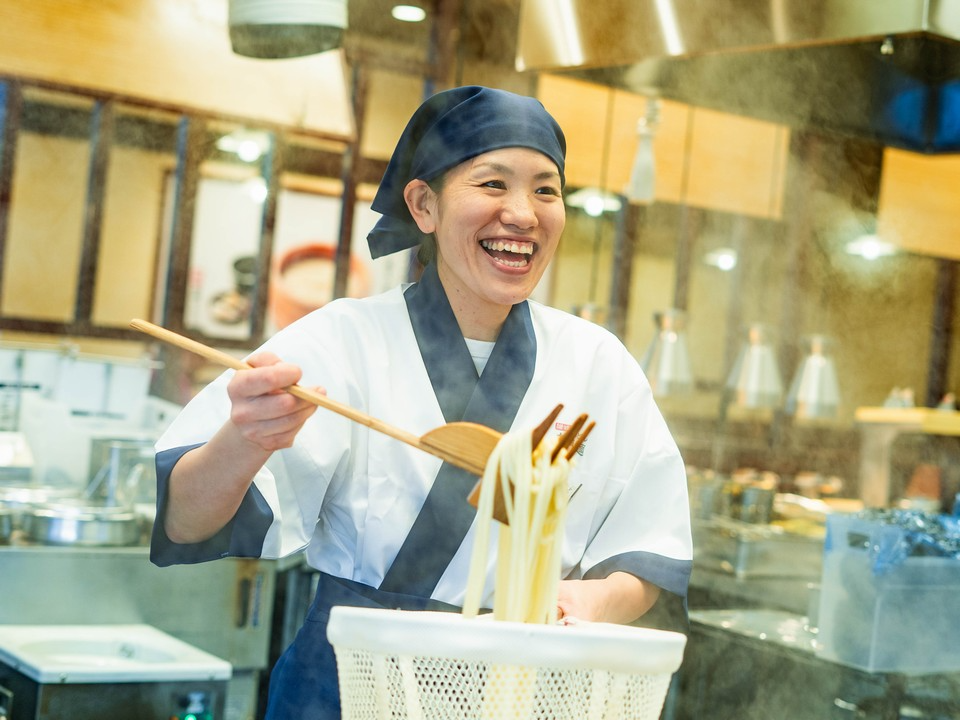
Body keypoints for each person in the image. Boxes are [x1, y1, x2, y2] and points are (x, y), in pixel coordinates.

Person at [150, 85, 693, 720]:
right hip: (356, 683)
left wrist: (594, 601)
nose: (523, 213)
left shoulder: (598, 364)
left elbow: (646, 549)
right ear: (423, 204)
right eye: (493, 183)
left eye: (546, 190)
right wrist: (245, 437)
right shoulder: (342, 340)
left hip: (523, 688)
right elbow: (186, 520)